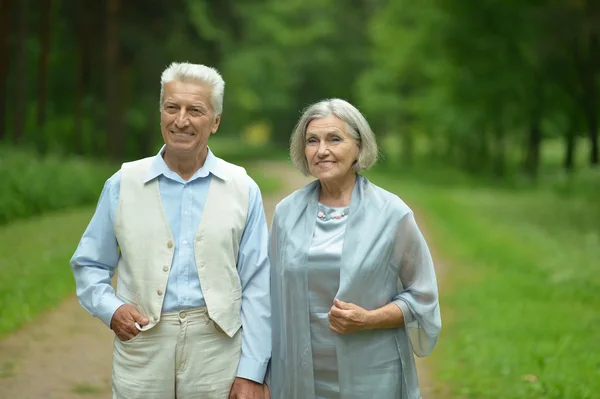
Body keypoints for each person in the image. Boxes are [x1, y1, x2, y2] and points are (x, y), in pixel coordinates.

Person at [70, 62, 270, 399]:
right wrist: (111, 308)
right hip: (143, 345)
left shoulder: (242, 187)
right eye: (171, 108)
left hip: (217, 348)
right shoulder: (123, 183)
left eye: (195, 110)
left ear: (216, 121)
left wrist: (252, 371)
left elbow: (258, 284)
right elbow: (90, 263)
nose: (181, 120)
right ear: (160, 113)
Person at [267, 99, 441, 399]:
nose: (322, 150)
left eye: (334, 139)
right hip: (298, 377)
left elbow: (422, 297)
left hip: (372, 375)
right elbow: (268, 296)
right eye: (312, 141)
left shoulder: (391, 213)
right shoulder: (286, 213)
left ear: (359, 147)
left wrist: (369, 319)